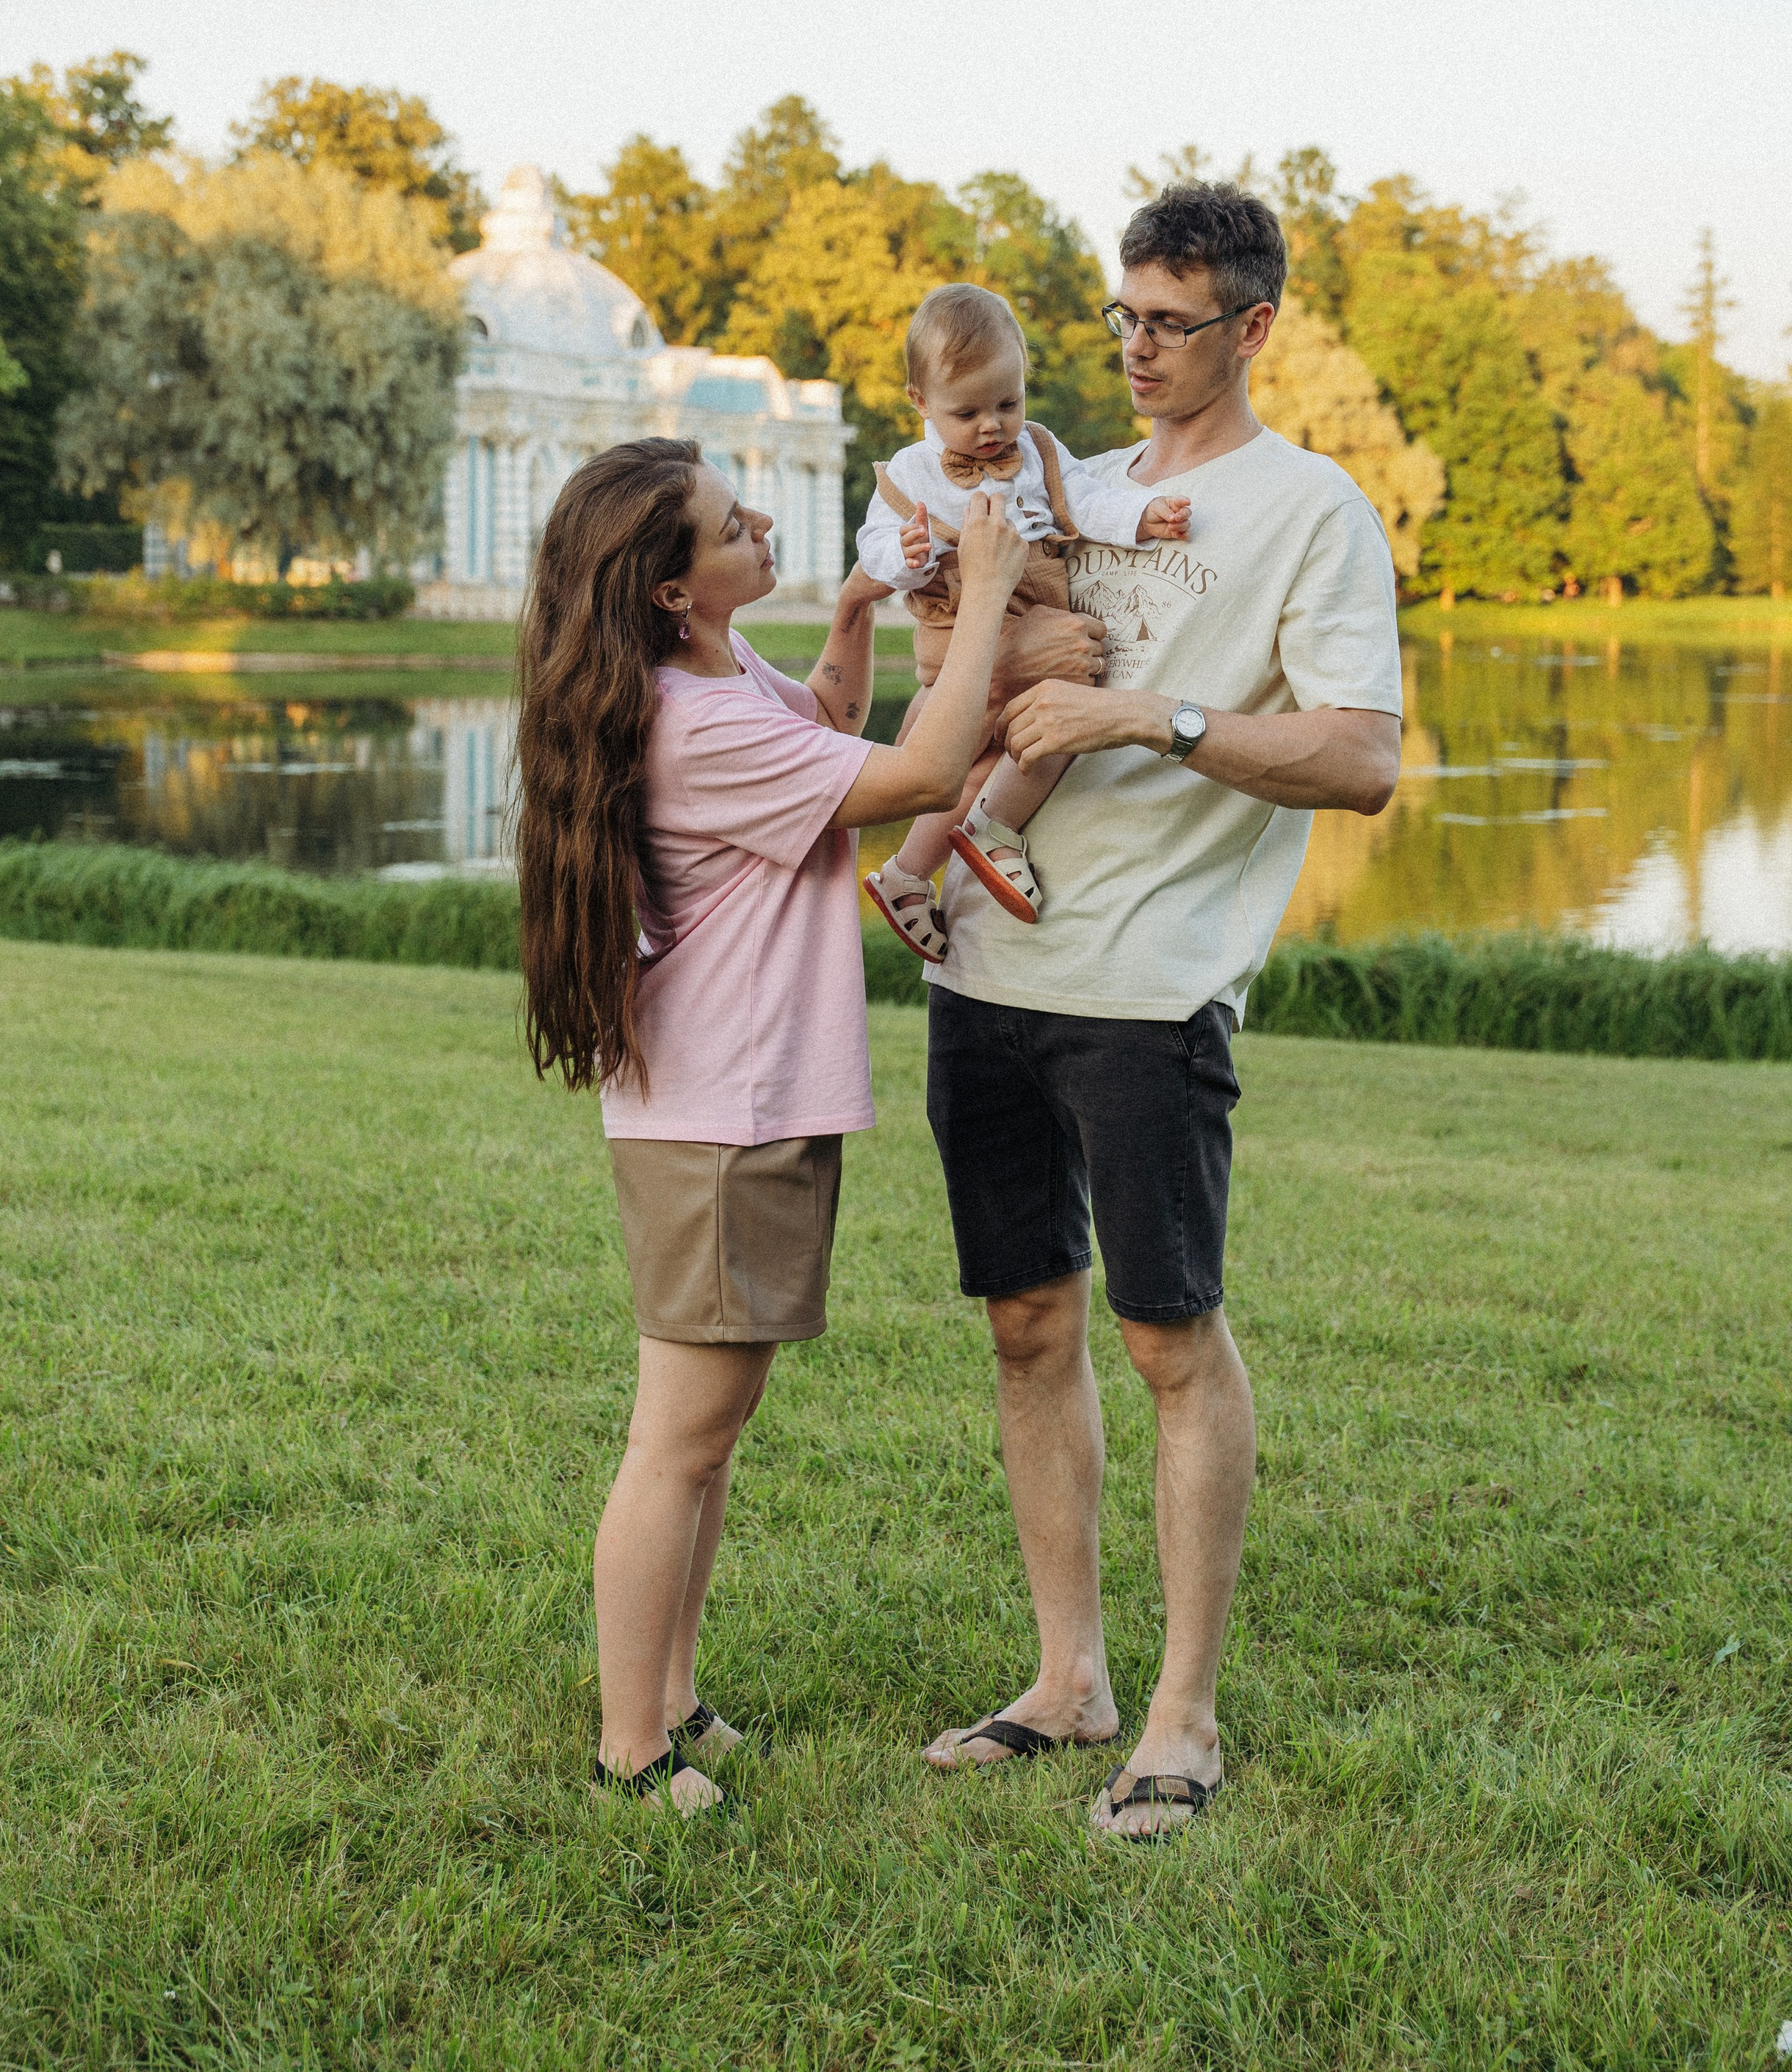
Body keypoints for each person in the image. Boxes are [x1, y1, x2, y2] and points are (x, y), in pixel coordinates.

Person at [919, 185, 1403, 1839]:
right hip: (982, 972)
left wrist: (1154, 713)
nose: (1131, 350)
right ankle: (1069, 1682)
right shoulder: (1077, 486)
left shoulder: (1312, 511)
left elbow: (1358, 758)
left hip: (1147, 987)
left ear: (1252, 328)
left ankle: (1180, 1719)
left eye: (1168, 323)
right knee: (1022, 1323)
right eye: (1120, 317)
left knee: (1163, 1336)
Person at [515, 435, 1029, 1815]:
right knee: (678, 1435)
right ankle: (632, 1749)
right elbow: (920, 775)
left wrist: (857, 615)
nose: (758, 525)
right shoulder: (698, 726)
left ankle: (677, 1698)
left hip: (738, 1104)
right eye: (726, 524)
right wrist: (984, 595)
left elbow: (831, 727)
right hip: (725, 1120)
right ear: (673, 590)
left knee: (714, 1425)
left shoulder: (715, 677)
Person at [857, 283, 1190, 959]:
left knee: (1029, 734)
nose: (992, 426)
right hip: (961, 615)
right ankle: (963, 845)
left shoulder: (1038, 448)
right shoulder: (912, 472)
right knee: (1008, 726)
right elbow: (872, 548)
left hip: (1036, 602)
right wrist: (907, 553)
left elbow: (1085, 502)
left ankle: (925, 865)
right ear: (920, 403)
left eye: (1008, 403)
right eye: (968, 411)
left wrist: (1138, 517)